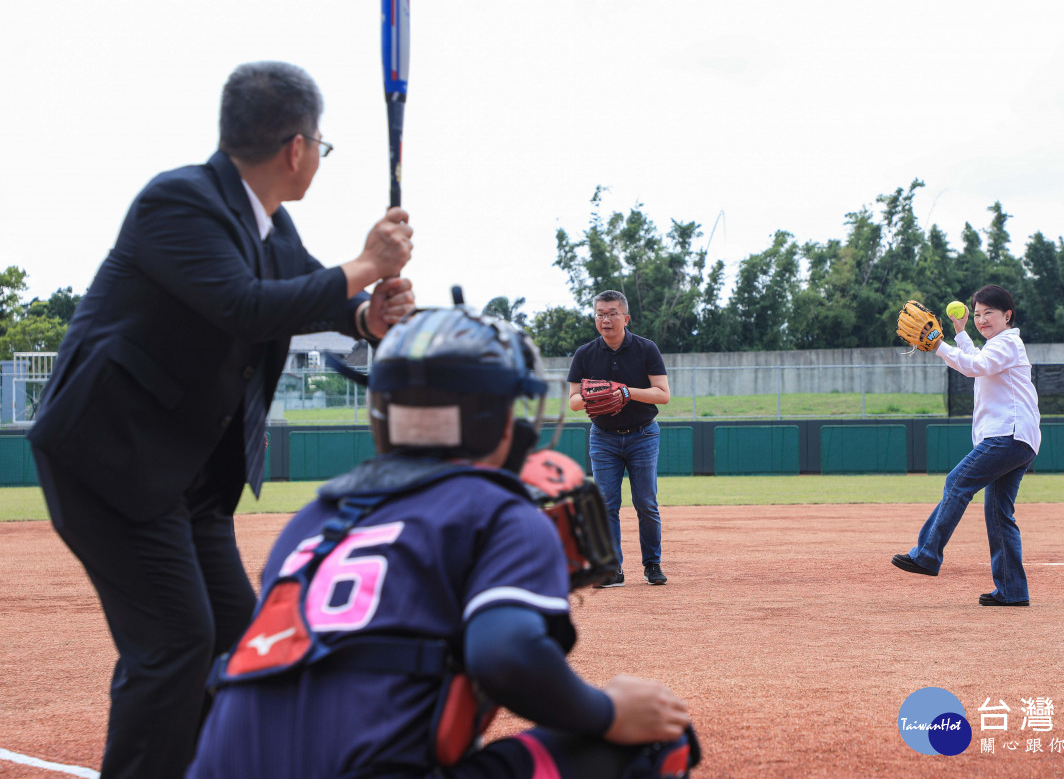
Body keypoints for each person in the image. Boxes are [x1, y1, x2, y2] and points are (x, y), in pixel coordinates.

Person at [26, 61, 415, 778]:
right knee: (175, 642)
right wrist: (365, 264)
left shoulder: (268, 223)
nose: (316, 160)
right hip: (110, 463)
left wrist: (368, 316)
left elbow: (309, 298)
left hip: (187, 478)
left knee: (234, 639)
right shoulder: (178, 202)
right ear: (297, 148)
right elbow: (244, 305)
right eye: (320, 147)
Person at [186, 303, 700, 779]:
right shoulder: (499, 511)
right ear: (499, 417)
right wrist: (607, 711)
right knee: (662, 739)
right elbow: (506, 655)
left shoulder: (316, 517)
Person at [891, 285, 1041, 606]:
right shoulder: (999, 346)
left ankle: (928, 554)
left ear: (1007, 316)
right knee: (999, 515)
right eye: (977, 313)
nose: (982, 319)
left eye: (989, 312)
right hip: (1017, 439)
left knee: (957, 482)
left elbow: (977, 367)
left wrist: (938, 345)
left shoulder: (1007, 342)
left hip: (1007, 436)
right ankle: (1012, 592)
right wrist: (959, 334)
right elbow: (977, 361)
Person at [568, 290, 671, 588]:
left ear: (625, 318)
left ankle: (652, 564)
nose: (605, 319)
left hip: (643, 435)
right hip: (603, 437)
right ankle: (613, 569)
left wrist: (626, 391)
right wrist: (595, 395)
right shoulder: (585, 354)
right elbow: (574, 401)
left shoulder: (646, 348)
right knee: (606, 503)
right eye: (600, 313)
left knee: (645, 502)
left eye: (612, 313)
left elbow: (663, 395)